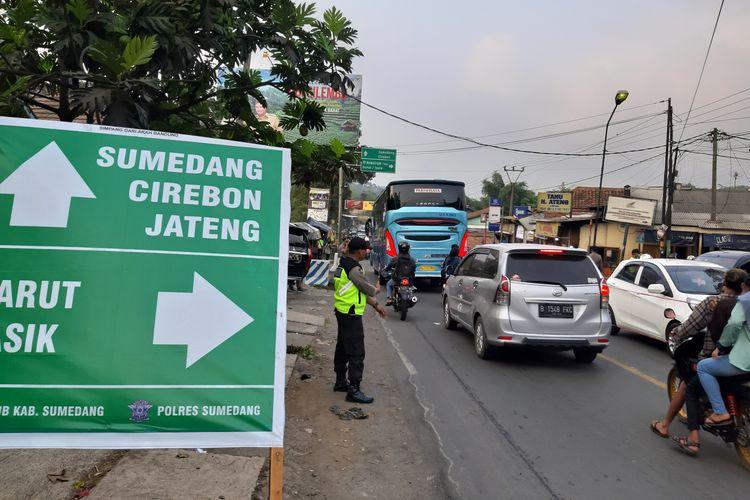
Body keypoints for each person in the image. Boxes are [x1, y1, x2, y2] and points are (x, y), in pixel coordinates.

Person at [650, 268, 747, 439]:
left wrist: (676, 333)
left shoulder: (714, 302)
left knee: (689, 386)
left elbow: (691, 326)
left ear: (724, 284)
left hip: (719, 355)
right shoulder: (744, 302)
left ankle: (672, 429)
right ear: (742, 286)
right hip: (740, 357)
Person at [332, 237, 386, 404]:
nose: (367, 252)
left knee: (342, 348)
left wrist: (376, 306)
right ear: (360, 251)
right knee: (356, 352)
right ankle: (354, 390)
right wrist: (376, 290)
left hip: (342, 312)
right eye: (366, 249)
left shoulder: (344, 263)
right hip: (351, 314)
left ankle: (341, 381)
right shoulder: (354, 269)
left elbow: (357, 292)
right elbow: (368, 290)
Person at [695, 276, 750, 425]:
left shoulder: (745, 300)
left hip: (745, 359)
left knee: (703, 367)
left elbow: (734, 324)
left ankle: (720, 411)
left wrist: (721, 346)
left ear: (744, 285)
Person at [384, 242, 416, 306]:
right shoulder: (412, 259)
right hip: (409, 280)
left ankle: (390, 299)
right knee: (411, 287)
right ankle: (411, 297)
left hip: (397, 279)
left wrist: (386, 269)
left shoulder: (396, 258)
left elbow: (389, 266)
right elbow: (414, 268)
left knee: (388, 284)